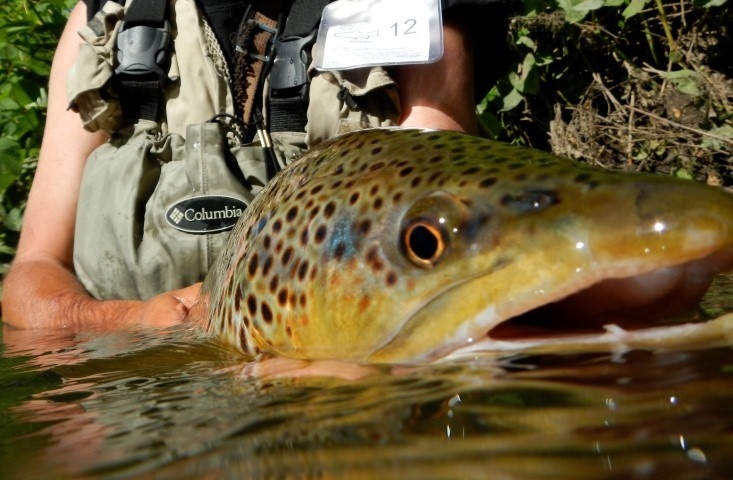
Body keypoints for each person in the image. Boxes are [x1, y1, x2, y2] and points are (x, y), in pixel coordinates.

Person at [3, 0, 508, 331]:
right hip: (129, 410)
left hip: (336, 383)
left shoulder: (413, 8)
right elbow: (33, 273)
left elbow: (444, 239)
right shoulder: (102, 23)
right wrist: (128, 322)